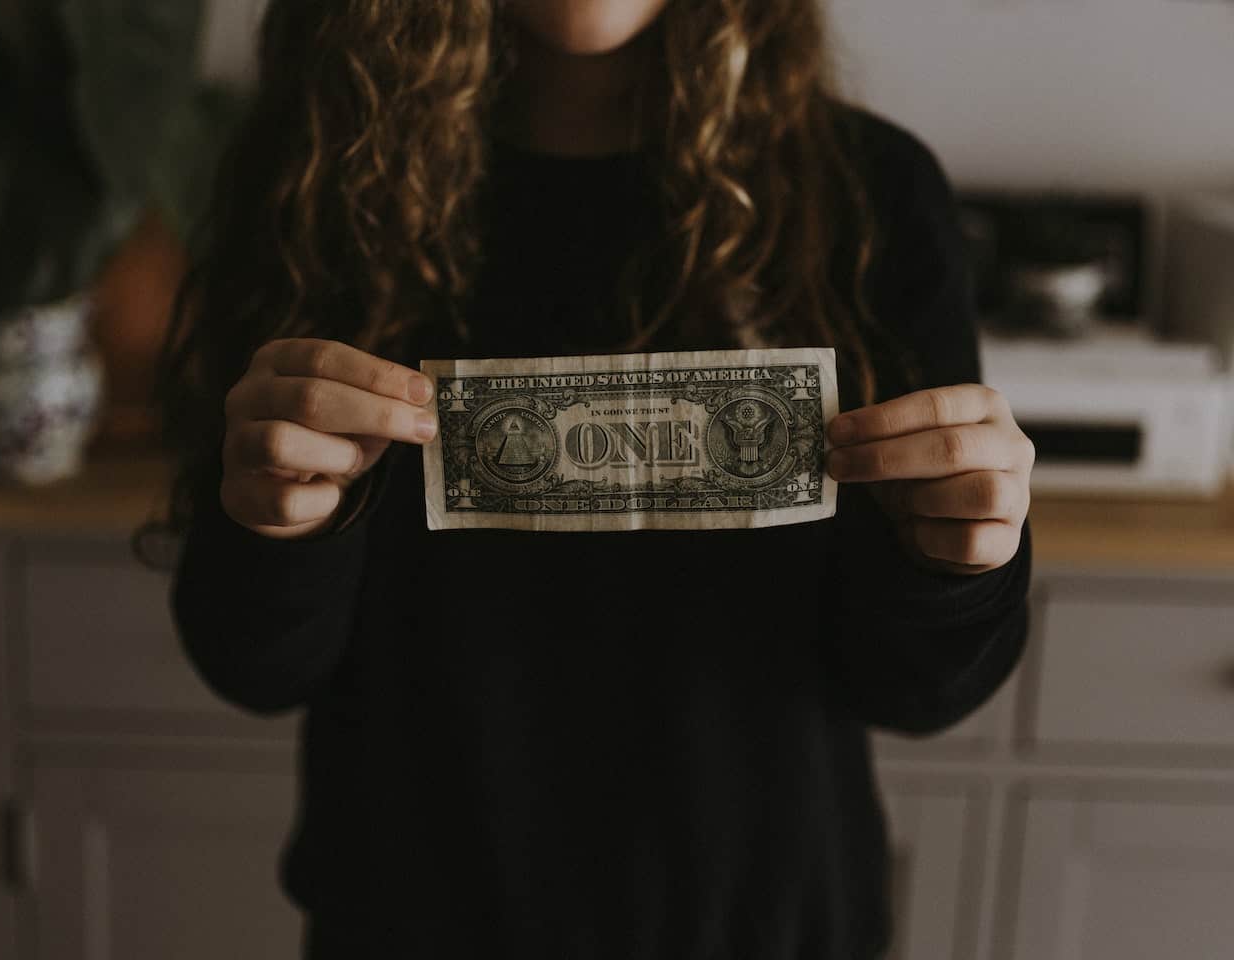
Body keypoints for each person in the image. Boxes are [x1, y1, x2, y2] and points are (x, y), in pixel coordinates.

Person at [147, 1, 1035, 957]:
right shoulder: (314, 180)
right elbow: (252, 663)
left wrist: (959, 565)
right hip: (412, 921)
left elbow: (914, 690)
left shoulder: (870, 195)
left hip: (761, 922)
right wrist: (275, 528)